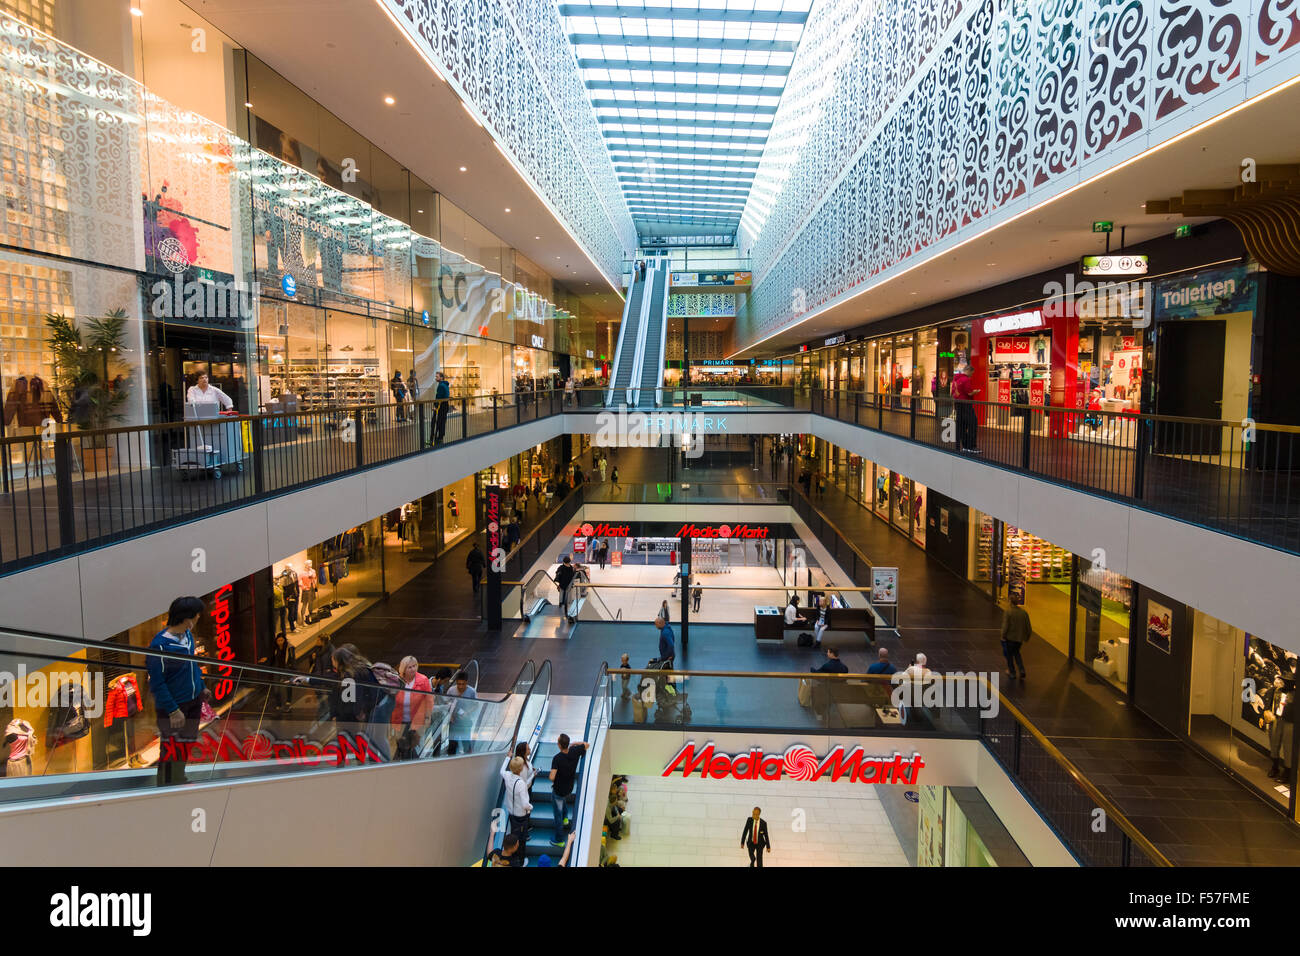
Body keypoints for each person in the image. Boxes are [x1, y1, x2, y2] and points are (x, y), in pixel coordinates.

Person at [147, 596, 208, 786]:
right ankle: (165, 786)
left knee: (186, 743)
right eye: (196, 616)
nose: (198, 619)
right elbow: (157, 683)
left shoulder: (187, 636)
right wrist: (173, 710)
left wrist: (202, 686)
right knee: (170, 748)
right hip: (174, 706)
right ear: (186, 618)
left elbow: (192, 666)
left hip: (193, 700)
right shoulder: (160, 646)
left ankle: (178, 779)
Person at [548, 733, 589, 846]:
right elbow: (587, 745)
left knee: (557, 815)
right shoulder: (575, 751)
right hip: (569, 787)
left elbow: (552, 777)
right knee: (563, 800)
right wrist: (575, 744)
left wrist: (553, 778)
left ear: (559, 745)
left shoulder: (557, 758)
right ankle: (566, 817)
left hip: (559, 790)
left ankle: (559, 840)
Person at [392, 656, 432, 760]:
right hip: (399, 721)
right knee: (401, 746)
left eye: (414, 666)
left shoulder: (423, 680)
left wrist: (427, 717)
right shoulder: (397, 680)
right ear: (403, 669)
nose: (413, 669)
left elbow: (429, 700)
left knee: (413, 747)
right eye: (409, 667)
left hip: (416, 721)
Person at [502, 754, 534, 843]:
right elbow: (525, 804)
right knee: (521, 838)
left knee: (514, 835)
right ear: (521, 769)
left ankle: (514, 853)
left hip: (511, 811)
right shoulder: (521, 783)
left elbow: (501, 771)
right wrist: (531, 807)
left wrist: (508, 757)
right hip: (520, 815)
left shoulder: (507, 775)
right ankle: (520, 856)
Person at [446, 670, 478, 754]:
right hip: (454, 721)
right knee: (452, 744)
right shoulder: (451, 690)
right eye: (458, 684)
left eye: (463, 684)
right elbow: (447, 703)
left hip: (465, 721)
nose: (460, 686)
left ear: (466, 682)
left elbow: (476, 705)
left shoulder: (471, 691)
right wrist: (451, 715)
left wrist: (467, 712)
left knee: (466, 743)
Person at [952, 362, 980, 453]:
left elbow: (953, 391)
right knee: (973, 423)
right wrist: (976, 392)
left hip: (958, 403)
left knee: (962, 425)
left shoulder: (955, 379)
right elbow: (969, 392)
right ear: (968, 371)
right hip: (966, 404)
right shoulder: (966, 379)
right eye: (972, 373)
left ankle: (965, 445)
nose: (972, 375)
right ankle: (971, 446)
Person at [1000, 597, 1031, 680]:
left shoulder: (1008, 612)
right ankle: (1022, 670)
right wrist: (1027, 637)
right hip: (1019, 639)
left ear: (1010, 602)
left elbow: (1005, 625)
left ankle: (1012, 672)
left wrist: (1003, 635)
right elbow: (1028, 627)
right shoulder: (1024, 613)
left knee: (1009, 655)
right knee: (1017, 653)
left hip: (1010, 638)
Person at [555, 555, 577, 622]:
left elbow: (558, 574)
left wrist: (558, 582)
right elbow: (573, 575)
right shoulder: (571, 568)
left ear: (563, 561)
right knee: (567, 593)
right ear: (569, 561)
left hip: (562, 584)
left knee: (562, 593)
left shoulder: (561, 567)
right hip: (568, 584)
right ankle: (566, 603)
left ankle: (561, 603)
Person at [433, 371, 451, 444]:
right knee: (443, 421)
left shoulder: (441, 386)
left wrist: (435, 406)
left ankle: (439, 437)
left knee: (440, 421)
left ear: (441, 377)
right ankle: (441, 436)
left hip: (442, 405)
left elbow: (438, 397)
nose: (436, 378)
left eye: (437, 377)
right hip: (445, 405)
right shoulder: (445, 385)